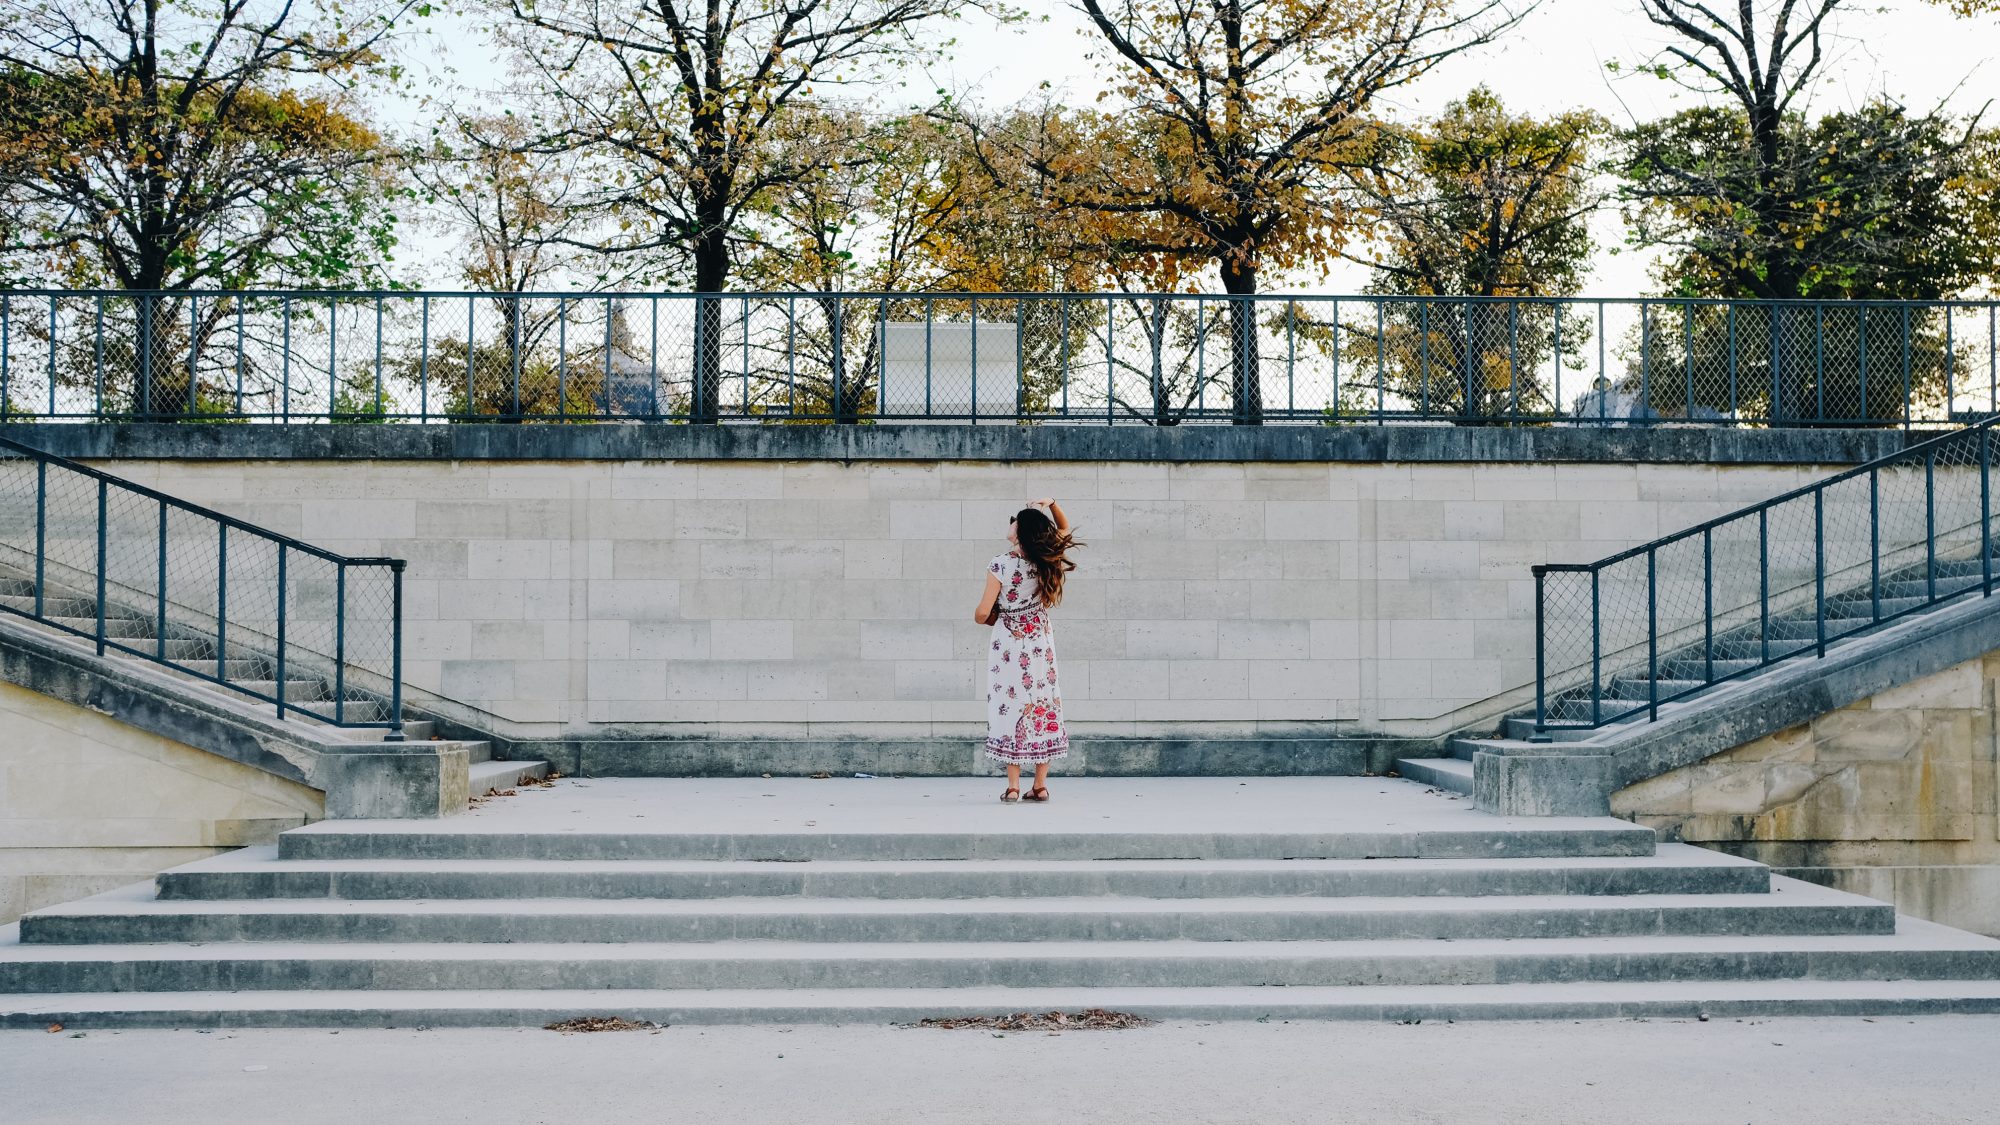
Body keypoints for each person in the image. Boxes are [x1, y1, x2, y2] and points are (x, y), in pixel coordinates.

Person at [973, 498, 1080, 803]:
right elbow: (1063, 528)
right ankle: (1041, 784)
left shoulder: (1000, 564)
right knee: (1043, 701)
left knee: (1012, 702)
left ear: (1019, 530)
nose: (1010, 523)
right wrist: (1055, 504)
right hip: (1039, 639)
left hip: (1009, 640)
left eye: (1014, 520)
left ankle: (1013, 786)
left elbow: (982, 613)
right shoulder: (1046, 559)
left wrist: (995, 616)